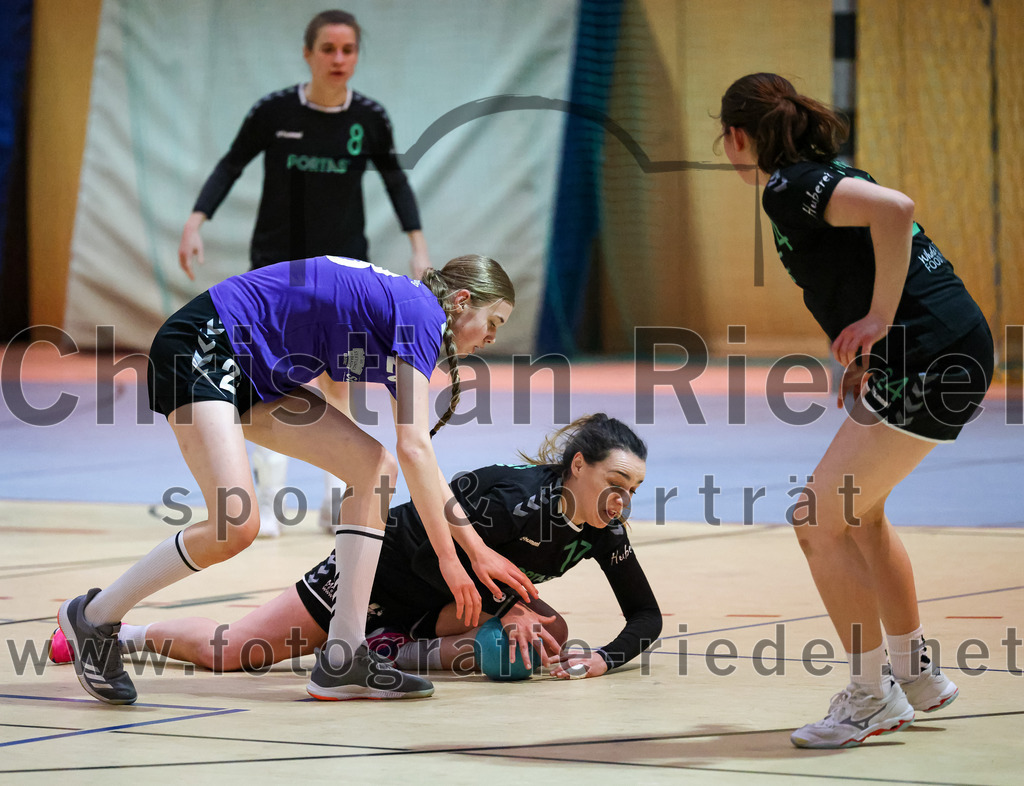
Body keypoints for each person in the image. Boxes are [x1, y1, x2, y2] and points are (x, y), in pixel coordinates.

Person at [57, 254, 536, 705]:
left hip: (261, 369)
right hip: (207, 342)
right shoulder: (422, 315)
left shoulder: (411, 312)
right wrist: (456, 557)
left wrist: (472, 550)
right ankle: (94, 617)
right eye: (493, 322)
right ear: (461, 301)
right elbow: (416, 448)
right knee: (235, 525)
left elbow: (410, 452)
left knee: (374, 469)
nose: (492, 337)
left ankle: (345, 656)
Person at [718, 73, 994, 749]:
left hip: (932, 358)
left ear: (736, 137)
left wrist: (879, 319)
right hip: (936, 351)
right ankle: (914, 675)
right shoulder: (824, 175)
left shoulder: (790, 187)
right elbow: (867, 249)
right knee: (860, 515)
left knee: (816, 521)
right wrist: (871, 348)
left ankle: (871, 697)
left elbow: (895, 210)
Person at [51, 416, 660, 682]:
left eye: (631, 490)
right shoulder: (515, 499)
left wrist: (604, 659)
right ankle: (116, 632)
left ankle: (387, 650)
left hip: (438, 600)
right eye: (615, 482)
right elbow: (428, 553)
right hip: (382, 569)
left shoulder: (604, 530)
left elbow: (645, 615)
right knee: (235, 652)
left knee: (545, 637)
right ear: (578, 466)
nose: (621, 500)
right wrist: (509, 608)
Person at [178, 9, 430, 537]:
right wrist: (196, 222)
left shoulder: (370, 117)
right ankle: (269, 504)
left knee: (342, 380)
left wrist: (418, 247)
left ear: (356, 56)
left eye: (348, 50)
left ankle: (338, 501)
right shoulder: (274, 111)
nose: (339, 59)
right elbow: (231, 164)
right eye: (328, 49)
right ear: (308, 54)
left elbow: (395, 182)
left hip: (343, 276)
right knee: (274, 377)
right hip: (278, 273)